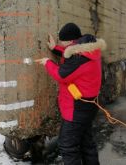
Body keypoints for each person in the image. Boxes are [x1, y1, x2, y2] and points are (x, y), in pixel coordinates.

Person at [36, 22, 106, 165]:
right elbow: (70, 54)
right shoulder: (88, 50)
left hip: (77, 109)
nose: (61, 43)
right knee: (86, 143)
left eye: (62, 41)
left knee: (67, 146)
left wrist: (47, 62)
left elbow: (61, 75)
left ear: (69, 41)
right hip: (88, 106)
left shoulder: (79, 58)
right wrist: (55, 48)